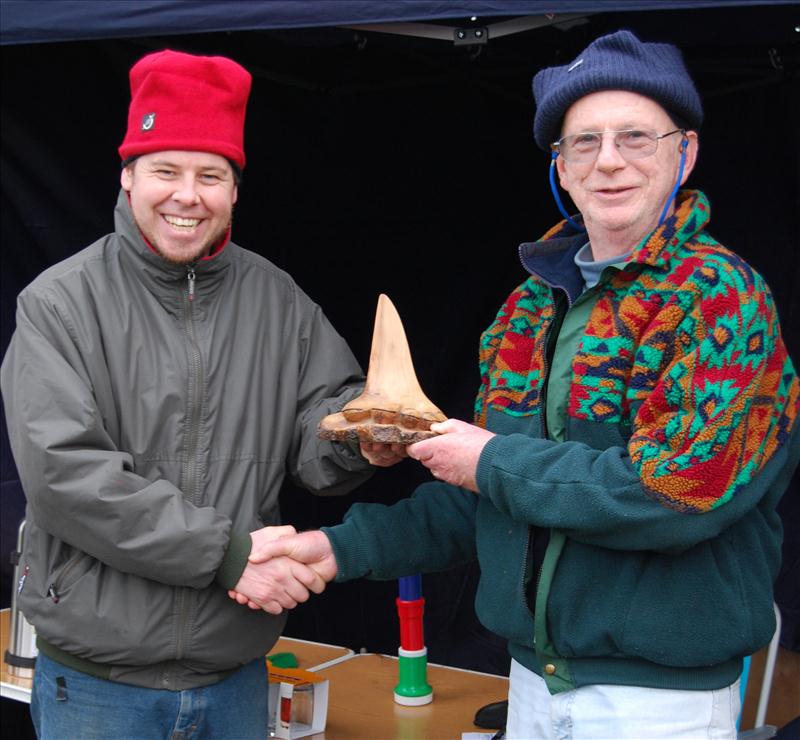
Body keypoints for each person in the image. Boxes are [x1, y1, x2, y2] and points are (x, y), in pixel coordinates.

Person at [241, 29, 800, 739]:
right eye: (584, 143)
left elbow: (680, 492)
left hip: (655, 705)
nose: (609, 161)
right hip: (531, 683)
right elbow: (488, 496)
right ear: (560, 168)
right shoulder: (528, 308)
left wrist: (487, 459)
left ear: (684, 153)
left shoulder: (723, 299)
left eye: (636, 137)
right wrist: (343, 548)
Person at [0, 48, 401, 739]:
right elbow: (67, 477)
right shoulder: (60, 305)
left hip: (235, 677)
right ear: (128, 177)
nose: (188, 196)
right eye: (165, 171)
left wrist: (361, 436)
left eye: (210, 175)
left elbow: (318, 431)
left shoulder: (278, 300)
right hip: (99, 688)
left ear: (235, 190)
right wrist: (231, 557)